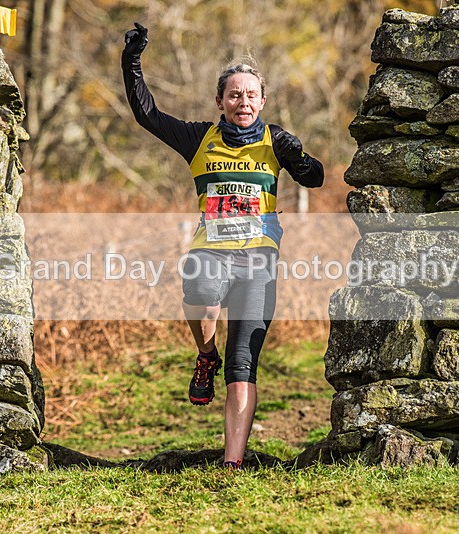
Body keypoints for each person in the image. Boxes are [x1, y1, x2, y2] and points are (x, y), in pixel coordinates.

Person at [122, 22, 324, 469]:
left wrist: (299, 157)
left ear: (263, 100)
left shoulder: (276, 143)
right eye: (234, 95)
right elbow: (147, 115)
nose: (243, 102)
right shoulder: (199, 139)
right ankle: (204, 355)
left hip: (259, 261)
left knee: (244, 363)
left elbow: (315, 178)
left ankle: (232, 463)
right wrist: (132, 62)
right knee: (201, 298)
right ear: (220, 101)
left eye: (251, 95)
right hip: (210, 251)